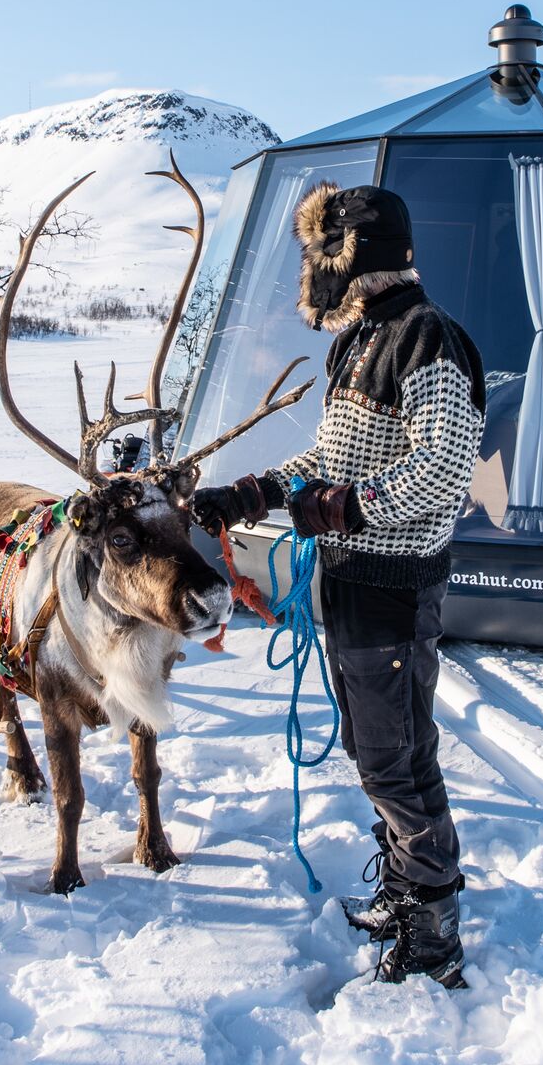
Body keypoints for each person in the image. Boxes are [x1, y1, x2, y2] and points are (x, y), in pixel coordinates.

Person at [194, 183, 486, 989]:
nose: (317, 277)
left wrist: (345, 507)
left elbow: (443, 472)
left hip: (395, 583)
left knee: (395, 761)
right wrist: (253, 492)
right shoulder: (359, 340)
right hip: (352, 577)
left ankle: (432, 927)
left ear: (354, 258)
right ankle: (405, 889)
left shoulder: (427, 339)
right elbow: (331, 461)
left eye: (325, 258)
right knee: (373, 750)